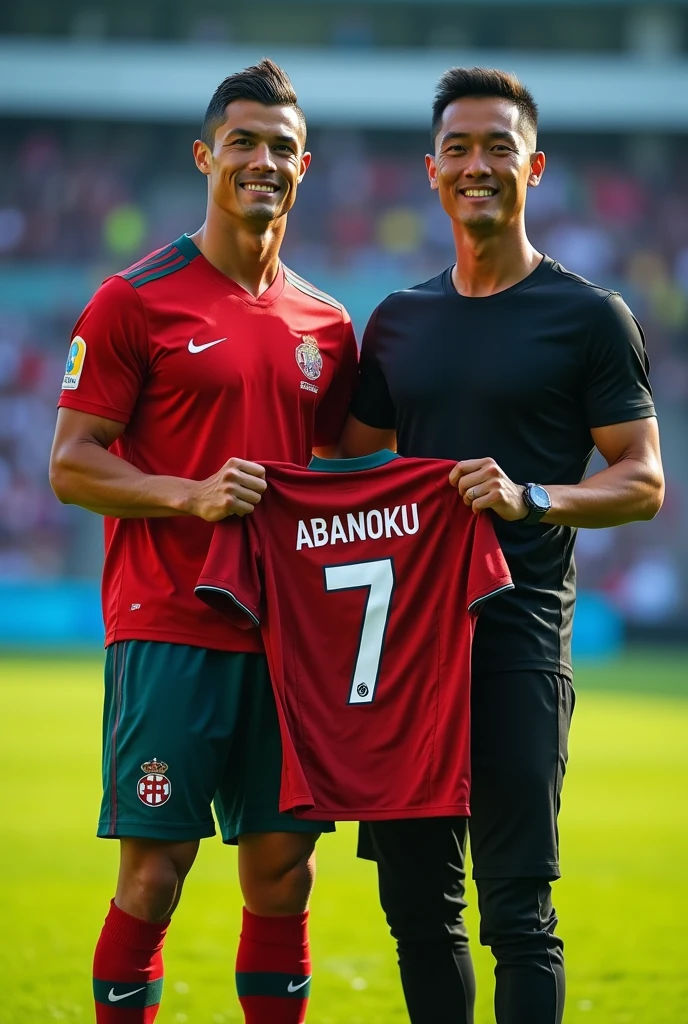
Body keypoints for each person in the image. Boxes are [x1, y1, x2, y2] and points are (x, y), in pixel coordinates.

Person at [339, 66, 664, 1024]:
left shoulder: (589, 316)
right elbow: (336, 465)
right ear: (432, 170)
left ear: (535, 166)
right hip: (404, 656)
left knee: (518, 913)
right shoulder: (396, 322)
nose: (478, 164)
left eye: (498, 147)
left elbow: (642, 481)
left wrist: (531, 496)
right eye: (460, 149)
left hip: (519, 644)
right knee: (415, 910)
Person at [49, 59, 358, 1024]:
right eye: (243, 142)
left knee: (284, 873)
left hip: (286, 645)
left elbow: (356, 472)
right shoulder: (132, 300)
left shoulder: (328, 325)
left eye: (280, 147)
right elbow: (71, 463)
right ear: (205, 155)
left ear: (304, 166)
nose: (262, 160)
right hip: (171, 626)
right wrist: (189, 496)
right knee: (155, 873)